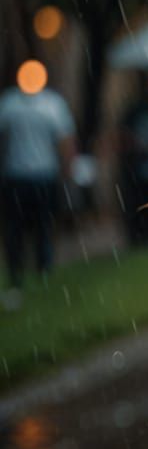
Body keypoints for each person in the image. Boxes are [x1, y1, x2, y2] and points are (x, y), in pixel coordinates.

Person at [0, 69, 76, 299]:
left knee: (33, 226)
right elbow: (65, 141)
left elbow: (65, 142)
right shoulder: (41, 104)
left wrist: (66, 168)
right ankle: (32, 272)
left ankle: (34, 271)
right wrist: (67, 169)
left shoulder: (13, 104)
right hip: (27, 176)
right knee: (30, 226)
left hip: (32, 175)